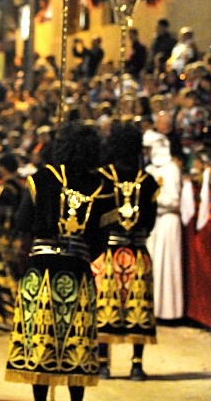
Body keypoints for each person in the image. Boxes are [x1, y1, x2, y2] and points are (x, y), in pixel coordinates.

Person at [6, 122, 113, 401]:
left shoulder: (41, 178)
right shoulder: (102, 188)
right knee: (76, 342)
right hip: (77, 269)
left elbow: (22, 226)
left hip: (41, 269)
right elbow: (101, 243)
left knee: (40, 341)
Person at [92, 123, 159, 381]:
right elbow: (151, 222)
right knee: (138, 308)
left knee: (104, 308)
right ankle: (136, 364)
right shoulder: (149, 182)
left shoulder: (103, 178)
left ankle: (102, 362)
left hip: (108, 250)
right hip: (138, 250)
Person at [143, 115, 185, 321]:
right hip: (154, 222)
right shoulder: (150, 170)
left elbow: (174, 199)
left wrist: (153, 200)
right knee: (153, 264)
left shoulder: (171, 170)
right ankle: (152, 308)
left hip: (168, 220)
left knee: (167, 265)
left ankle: (169, 312)